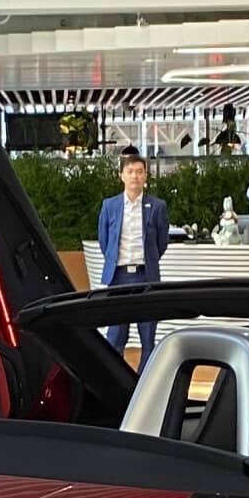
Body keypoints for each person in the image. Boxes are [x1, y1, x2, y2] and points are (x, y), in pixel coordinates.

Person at [96, 150, 170, 361]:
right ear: (121, 175)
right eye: (130, 171)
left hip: (146, 276)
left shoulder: (157, 206)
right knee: (116, 335)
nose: (135, 176)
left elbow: (161, 242)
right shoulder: (110, 206)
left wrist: (149, 260)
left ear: (146, 176)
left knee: (148, 334)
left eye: (139, 172)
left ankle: (142, 383)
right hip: (118, 277)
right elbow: (105, 240)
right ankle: (114, 380)